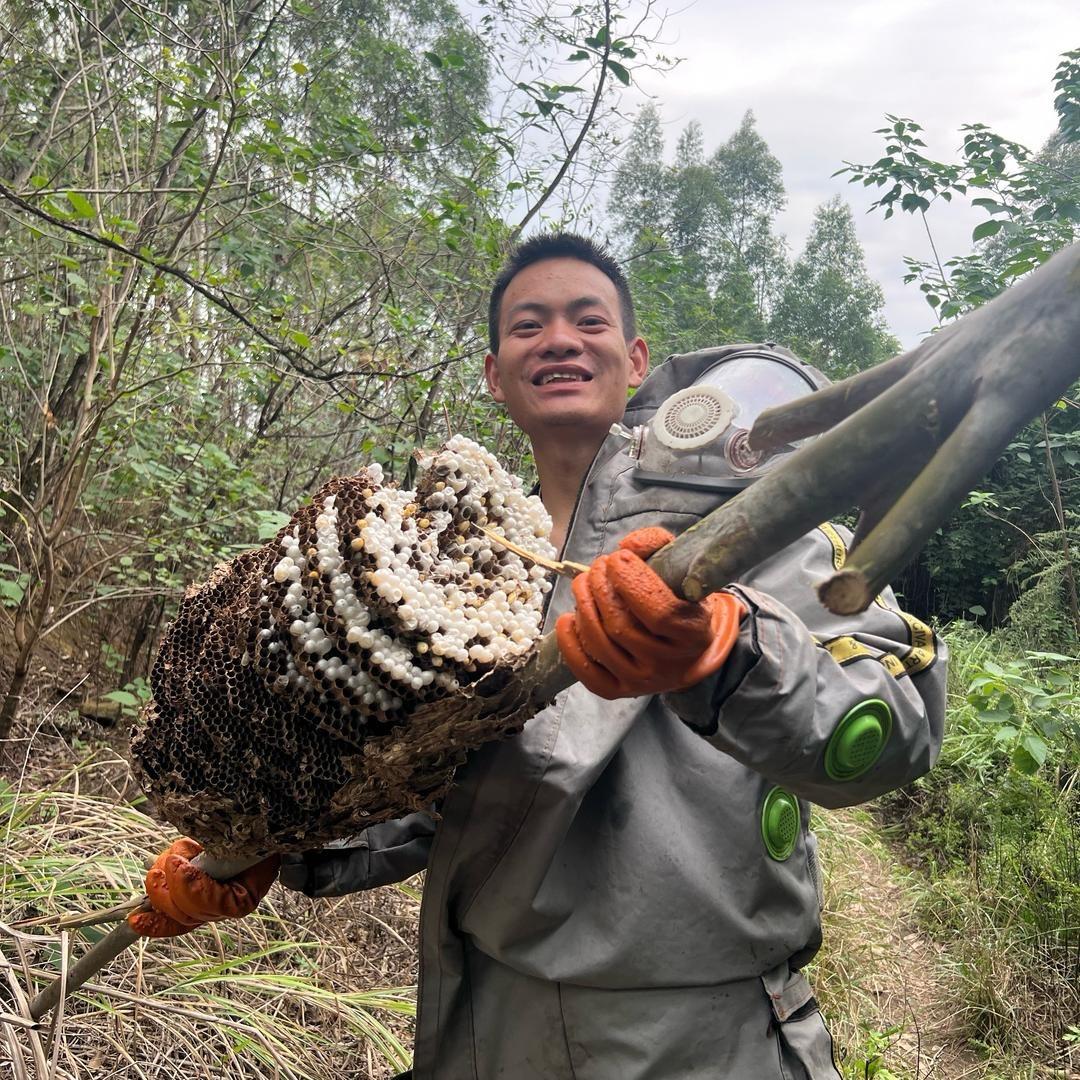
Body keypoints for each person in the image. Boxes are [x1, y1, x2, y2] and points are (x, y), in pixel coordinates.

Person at [134, 233, 946, 1079]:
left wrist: (723, 650)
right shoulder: (466, 568)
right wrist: (274, 843)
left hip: (698, 1031)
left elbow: (892, 729)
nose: (558, 338)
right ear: (495, 376)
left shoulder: (741, 528)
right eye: (528, 325)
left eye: (586, 319)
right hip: (486, 1014)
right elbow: (436, 786)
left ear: (634, 360)